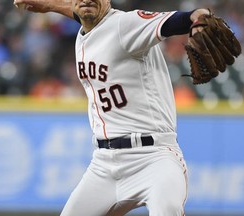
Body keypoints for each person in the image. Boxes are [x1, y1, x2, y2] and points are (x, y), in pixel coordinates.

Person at [13, 0, 210, 215]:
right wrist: (51, 6)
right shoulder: (87, 28)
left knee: (168, 210)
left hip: (153, 158)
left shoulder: (126, 24)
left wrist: (196, 15)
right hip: (104, 164)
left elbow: (173, 22)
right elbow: (84, 12)